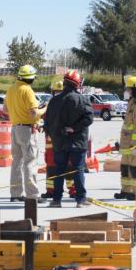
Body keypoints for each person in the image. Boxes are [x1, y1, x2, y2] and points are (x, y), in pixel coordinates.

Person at [44, 70, 94, 208]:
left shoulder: (54, 101)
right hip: (77, 142)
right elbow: (89, 118)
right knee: (78, 170)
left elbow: (47, 122)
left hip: (59, 142)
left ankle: (56, 200)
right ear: (77, 84)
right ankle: (80, 200)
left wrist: (53, 135)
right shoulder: (83, 99)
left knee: (59, 170)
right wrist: (74, 128)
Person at [3, 65, 46, 203]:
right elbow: (34, 113)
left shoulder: (11, 89)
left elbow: (5, 109)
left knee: (16, 162)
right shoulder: (27, 90)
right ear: (31, 78)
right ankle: (32, 195)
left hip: (15, 128)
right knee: (30, 161)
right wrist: (44, 109)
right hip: (27, 130)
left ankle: (15, 194)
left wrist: (18, 113)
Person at [114, 76, 136, 201]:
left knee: (134, 169)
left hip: (134, 144)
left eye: (129, 89)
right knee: (124, 167)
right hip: (126, 143)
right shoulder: (132, 102)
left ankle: (134, 192)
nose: (127, 91)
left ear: (134, 89)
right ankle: (125, 190)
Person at [42, 80, 76, 200]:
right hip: (53, 142)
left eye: (59, 91)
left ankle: (73, 190)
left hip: (61, 141)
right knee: (52, 168)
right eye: (56, 92)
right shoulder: (50, 104)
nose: (57, 94)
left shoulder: (66, 104)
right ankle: (51, 190)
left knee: (68, 167)